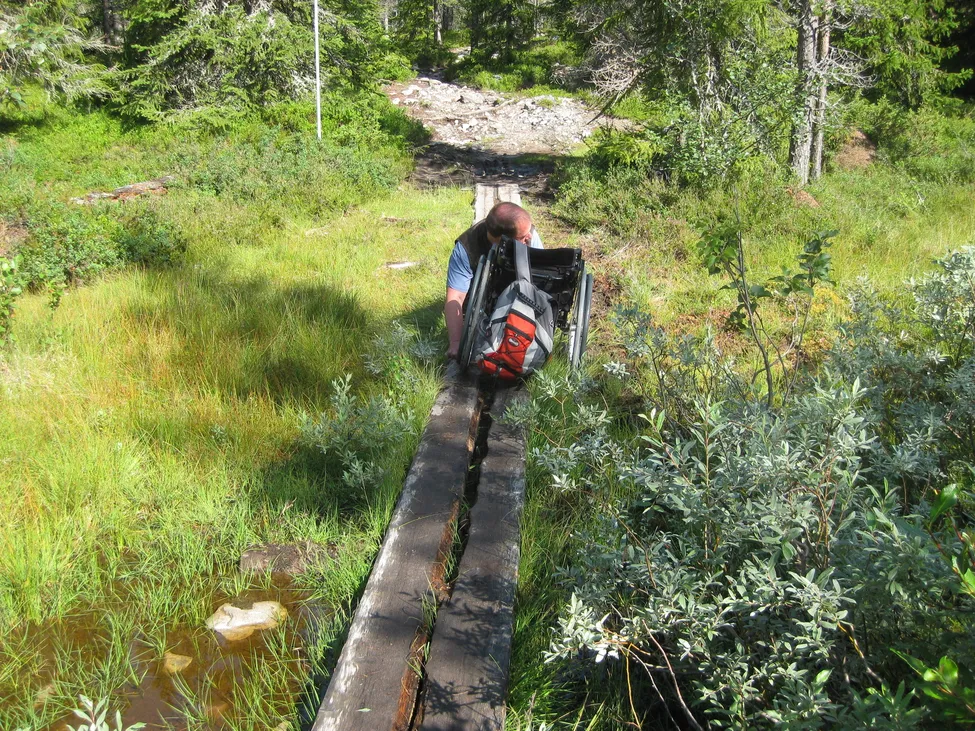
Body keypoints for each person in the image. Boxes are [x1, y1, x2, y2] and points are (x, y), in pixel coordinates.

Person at [445, 202, 543, 359]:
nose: (530, 237)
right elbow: (455, 296)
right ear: (505, 240)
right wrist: (456, 343)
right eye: (523, 237)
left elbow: (539, 280)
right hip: (482, 299)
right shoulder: (466, 248)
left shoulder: (529, 234)